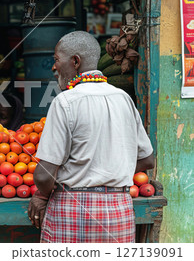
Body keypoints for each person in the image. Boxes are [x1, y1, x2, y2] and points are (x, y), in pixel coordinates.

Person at [28, 31, 154, 243]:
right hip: (118, 212)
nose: (53, 67)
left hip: (72, 209)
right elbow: (147, 160)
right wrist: (109, 170)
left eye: (57, 60)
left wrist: (41, 196)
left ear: (75, 61)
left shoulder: (65, 101)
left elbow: (43, 176)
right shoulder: (123, 99)